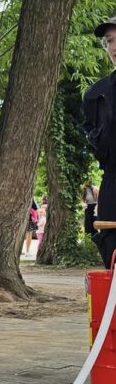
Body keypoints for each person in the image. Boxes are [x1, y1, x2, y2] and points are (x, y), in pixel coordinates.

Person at [82, 15, 116, 266]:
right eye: (109, 41)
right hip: (113, 182)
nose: (113, 47)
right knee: (112, 250)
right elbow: (92, 138)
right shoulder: (96, 94)